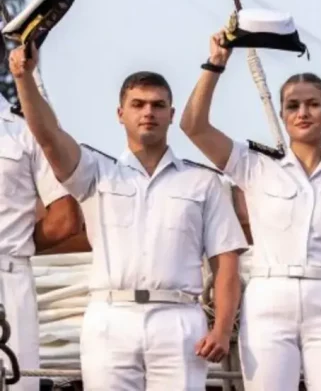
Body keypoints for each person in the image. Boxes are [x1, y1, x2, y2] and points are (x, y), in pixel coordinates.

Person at [8, 43, 247, 391]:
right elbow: (47, 136)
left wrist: (223, 328)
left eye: (157, 105)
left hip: (178, 318)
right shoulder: (94, 171)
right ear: (120, 113)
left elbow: (226, 263)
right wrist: (23, 78)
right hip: (110, 317)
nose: (148, 112)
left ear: (171, 113)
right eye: (138, 104)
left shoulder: (204, 182)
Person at [179, 30, 321, 391]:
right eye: (293, 105)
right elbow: (193, 126)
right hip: (269, 301)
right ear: (282, 113)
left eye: (313, 104)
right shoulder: (254, 164)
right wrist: (216, 63)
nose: (303, 112)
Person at [0, 92, 82, 391]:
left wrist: (16, 244)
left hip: (7, 282)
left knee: (16, 384)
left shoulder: (28, 130)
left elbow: (65, 219)